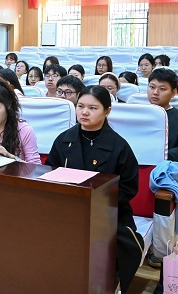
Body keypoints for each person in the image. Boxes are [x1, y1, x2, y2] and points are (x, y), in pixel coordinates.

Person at [46, 85, 142, 293]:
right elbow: (50, 174)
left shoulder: (119, 145)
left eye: (92, 108)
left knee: (118, 245)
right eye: (80, 106)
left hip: (109, 213)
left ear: (107, 111)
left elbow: (129, 187)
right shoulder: (64, 140)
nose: (84, 112)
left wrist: (99, 204)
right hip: (69, 210)